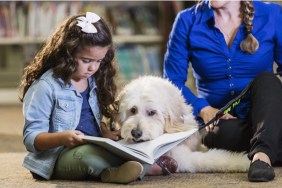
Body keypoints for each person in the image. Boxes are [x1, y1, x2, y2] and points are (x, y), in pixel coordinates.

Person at [19, 12, 177, 184]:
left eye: (99, 61)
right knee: (87, 157)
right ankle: (140, 168)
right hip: (58, 157)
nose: (93, 67)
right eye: (86, 60)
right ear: (67, 53)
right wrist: (63, 138)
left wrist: (105, 132)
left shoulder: (91, 80)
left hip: (95, 145)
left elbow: (88, 118)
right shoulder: (45, 86)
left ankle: (120, 169)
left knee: (124, 144)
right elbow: (31, 138)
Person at [163, 0, 282, 182]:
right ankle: (270, 143)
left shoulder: (272, 14)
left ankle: (262, 157)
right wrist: (202, 108)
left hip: (267, 111)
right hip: (219, 122)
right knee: (218, 135)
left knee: (267, 79)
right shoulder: (186, 20)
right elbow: (172, 82)